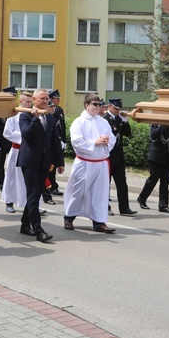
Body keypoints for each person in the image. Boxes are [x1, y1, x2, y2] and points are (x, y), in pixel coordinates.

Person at [63, 93, 117, 233]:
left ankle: (99, 222)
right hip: (85, 162)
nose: (98, 107)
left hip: (101, 162)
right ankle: (69, 217)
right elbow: (76, 142)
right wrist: (95, 142)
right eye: (95, 104)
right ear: (87, 105)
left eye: (99, 104)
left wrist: (106, 142)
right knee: (78, 191)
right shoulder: (79, 122)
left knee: (99, 193)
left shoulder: (103, 121)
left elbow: (112, 138)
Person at [18, 88, 65, 242]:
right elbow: (26, 134)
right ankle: (39, 230)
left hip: (43, 162)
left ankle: (25, 224)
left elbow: (54, 141)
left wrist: (60, 162)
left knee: (36, 194)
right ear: (33, 99)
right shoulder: (25, 115)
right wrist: (35, 118)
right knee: (32, 194)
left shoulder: (50, 118)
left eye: (47, 99)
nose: (45, 101)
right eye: (42, 98)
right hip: (29, 161)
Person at [104, 98, 137, 216]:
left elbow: (128, 134)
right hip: (107, 156)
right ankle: (105, 207)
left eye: (119, 109)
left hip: (118, 156)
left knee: (122, 183)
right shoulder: (104, 119)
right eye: (115, 108)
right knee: (105, 183)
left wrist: (125, 121)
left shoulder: (119, 118)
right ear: (109, 106)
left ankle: (124, 208)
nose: (117, 111)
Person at [1, 91, 32, 215]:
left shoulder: (33, 115)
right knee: (13, 177)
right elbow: (7, 133)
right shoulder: (13, 116)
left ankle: (30, 204)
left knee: (29, 179)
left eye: (30, 102)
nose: (29, 104)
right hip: (17, 150)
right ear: (20, 101)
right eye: (27, 101)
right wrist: (25, 137)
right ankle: (9, 201)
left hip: (29, 152)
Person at [136, 124, 169, 213]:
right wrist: (161, 126)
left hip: (167, 158)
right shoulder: (155, 124)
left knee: (165, 182)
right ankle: (142, 198)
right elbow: (153, 136)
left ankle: (163, 205)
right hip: (156, 156)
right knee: (153, 179)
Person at [48, 89, 66, 196]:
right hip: (50, 142)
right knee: (50, 165)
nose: (58, 100)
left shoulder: (59, 110)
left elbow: (62, 126)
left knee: (55, 163)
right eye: (56, 98)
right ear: (51, 99)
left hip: (58, 141)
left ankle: (53, 185)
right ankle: (50, 185)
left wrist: (64, 140)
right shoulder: (50, 111)